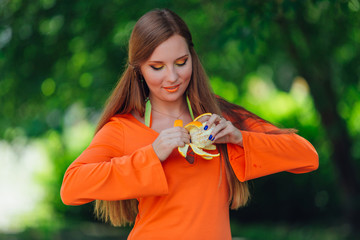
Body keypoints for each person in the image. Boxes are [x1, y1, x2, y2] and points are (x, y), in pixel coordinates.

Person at [60, 8, 319, 240]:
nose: (172, 77)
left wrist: (240, 138)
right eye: (157, 67)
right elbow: (71, 188)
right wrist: (152, 154)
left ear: (192, 58)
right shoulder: (123, 128)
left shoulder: (219, 117)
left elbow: (307, 156)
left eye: (181, 63)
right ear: (138, 69)